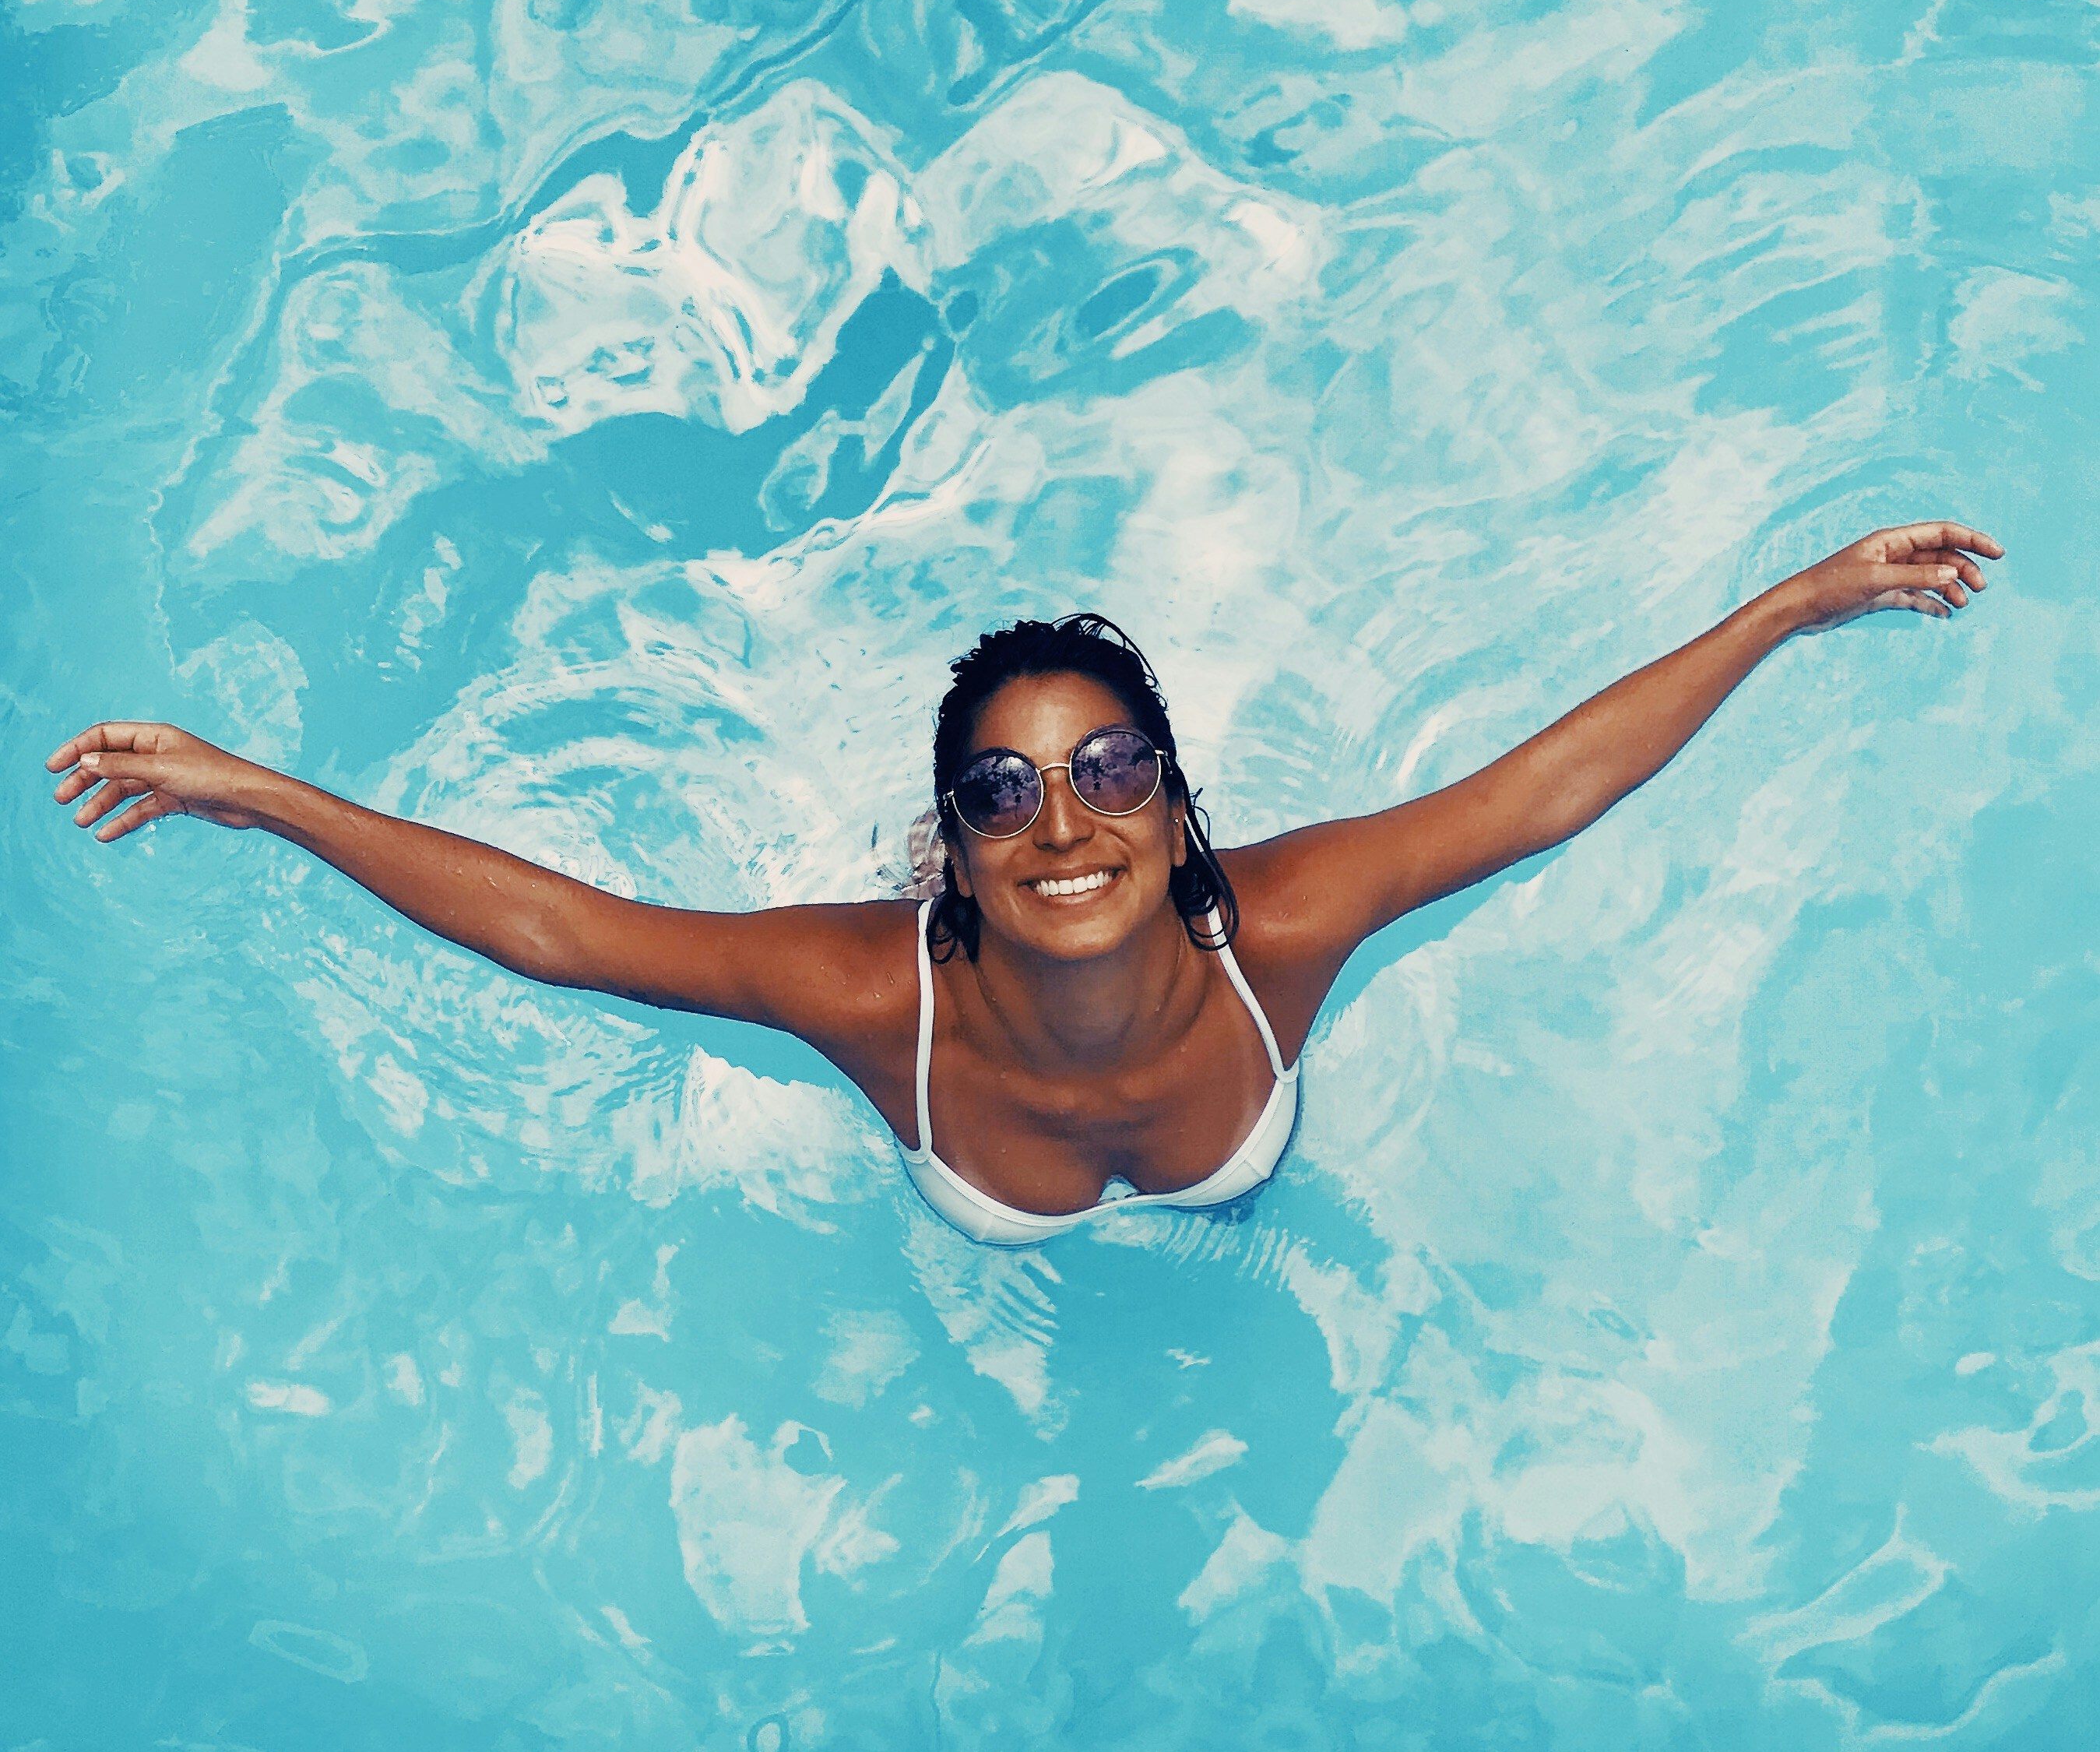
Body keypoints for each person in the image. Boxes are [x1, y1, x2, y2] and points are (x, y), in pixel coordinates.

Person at [46, 521, 2000, 1246]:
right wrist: (259, 794)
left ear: (1171, 810)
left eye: (1103, 771)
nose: (1058, 823)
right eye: (1000, 791)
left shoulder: (1283, 930)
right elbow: (568, 932)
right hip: (969, 1205)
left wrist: (1793, 606)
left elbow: (1541, 792)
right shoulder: (864, 990)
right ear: (952, 848)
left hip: (1238, 1169)